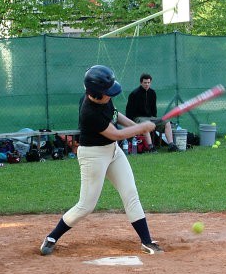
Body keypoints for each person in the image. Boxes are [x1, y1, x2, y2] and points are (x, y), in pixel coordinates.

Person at [40, 65, 164, 256]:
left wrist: (137, 125)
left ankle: (147, 241)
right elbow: (116, 134)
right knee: (86, 206)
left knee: (130, 193)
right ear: (96, 94)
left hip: (112, 152)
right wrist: (141, 129)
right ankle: (52, 237)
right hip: (93, 156)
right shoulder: (89, 112)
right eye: (108, 92)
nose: (111, 95)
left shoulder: (103, 97)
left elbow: (115, 114)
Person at [125, 73, 178, 152]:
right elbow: (129, 111)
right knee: (145, 124)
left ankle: (171, 145)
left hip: (151, 118)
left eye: (148, 82)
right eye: (145, 82)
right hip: (138, 118)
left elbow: (154, 109)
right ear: (141, 83)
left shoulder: (152, 93)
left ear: (150, 83)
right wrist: (131, 124)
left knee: (167, 122)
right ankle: (151, 147)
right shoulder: (134, 94)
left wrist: (155, 120)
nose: (147, 84)